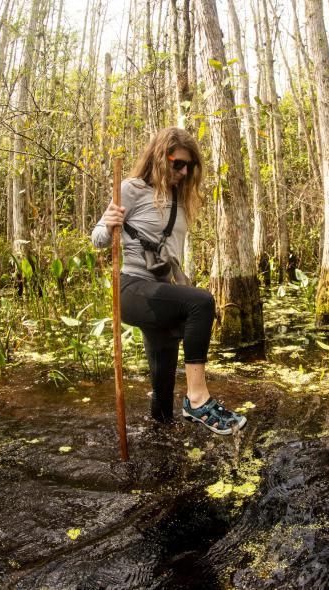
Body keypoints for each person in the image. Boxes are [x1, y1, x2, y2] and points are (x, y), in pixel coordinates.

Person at [91, 127, 247, 435]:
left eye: (190, 166)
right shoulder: (131, 188)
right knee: (200, 301)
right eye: (178, 164)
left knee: (162, 388)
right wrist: (108, 225)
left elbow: (171, 255)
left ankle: (159, 447)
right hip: (132, 289)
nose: (184, 171)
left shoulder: (180, 199)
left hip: (160, 290)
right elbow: (97, 240)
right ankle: (198, 399)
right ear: (161, 158)